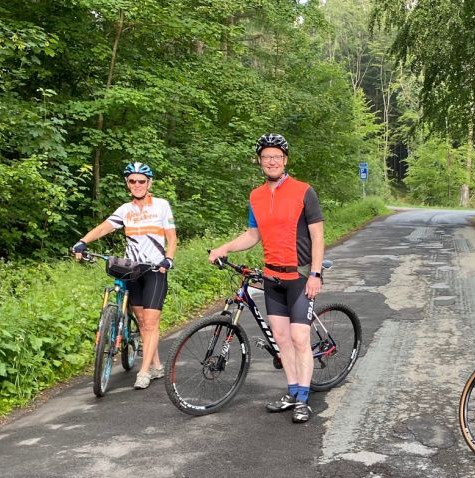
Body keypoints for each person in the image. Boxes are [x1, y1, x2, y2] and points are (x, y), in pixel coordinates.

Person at [207, 134, 325, 424]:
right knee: (282, 339)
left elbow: (318, 236)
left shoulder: (304, 191)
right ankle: (293, 391)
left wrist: (316, 273)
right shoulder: (256, 196)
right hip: (272, 277)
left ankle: (303, 399)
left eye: (276, 156)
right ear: (260, 161)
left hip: (299, 275)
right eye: (266, 157)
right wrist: (224, 247)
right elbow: (252, 235)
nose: (271, 161)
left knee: (299, 338)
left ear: (285, 160)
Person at [71, 162, 178, 390]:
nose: (137, 184)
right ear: (127, 184)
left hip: (155, 270)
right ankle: (156, 365)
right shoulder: (125, 210)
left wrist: (168, 258)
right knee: (142, 322)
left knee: (150, 322)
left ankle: (144, 372)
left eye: (141, 181)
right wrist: (82, 241)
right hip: (132, 271)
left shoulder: (161, 206)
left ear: (149, 183)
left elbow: (171, 237)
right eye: (132, 181)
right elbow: (104, 227)